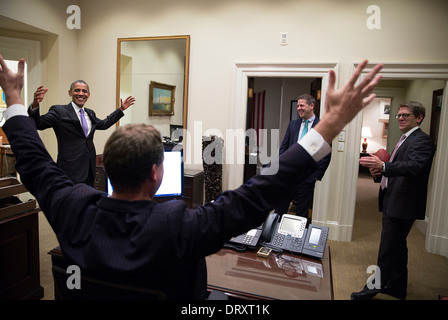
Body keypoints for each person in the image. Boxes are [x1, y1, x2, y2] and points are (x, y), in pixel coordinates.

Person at [0, 54, 383, 299]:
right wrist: (330, 126)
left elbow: (33, 162)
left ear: (108, 169)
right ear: (156, 172)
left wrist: (13, 97)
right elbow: (260, 192)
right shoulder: (181, 225)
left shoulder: (71, 207)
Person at [354, 101, 435, 300]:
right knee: (398, 248)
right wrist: (381, 171)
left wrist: (384, 166)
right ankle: (396, 287)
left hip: (403, 205)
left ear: (419, 118)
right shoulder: (406, 138)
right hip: (393, 200)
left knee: (387, 251)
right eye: (399, 115)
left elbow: (414, 167)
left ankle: (369, 291)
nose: (400, 118)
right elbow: (399, 167)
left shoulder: (422, 141)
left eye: (405, 115)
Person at [27, 82, 135, 186]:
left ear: (88, 95)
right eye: (77, 90)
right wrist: (35, 105)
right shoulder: (59, 111)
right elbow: (38, 124)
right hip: (70, 169)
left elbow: (104, 124)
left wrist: (121, 110)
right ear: (70, 93)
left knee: (87, 200)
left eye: (84, 91)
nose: (81, 94)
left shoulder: (90, 113)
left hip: (89, 168)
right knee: (71, 202)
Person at [276, 94, 331, 218]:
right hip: (288, 176)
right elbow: (283, 148)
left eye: (302, 105)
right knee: (279, 210)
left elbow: (326, 153)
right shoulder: (293, 125)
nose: (299, 108)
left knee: (301, 214)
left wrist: (315, 176)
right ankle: (274, 236)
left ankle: (298, 238)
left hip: (307, 179)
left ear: (311, 106)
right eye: (298, 106)